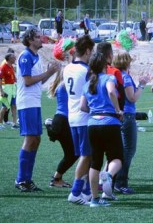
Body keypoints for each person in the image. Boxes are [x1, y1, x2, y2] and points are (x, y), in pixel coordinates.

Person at [15, 28, 61, 192]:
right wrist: (47, 72)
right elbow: (27, 81)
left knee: (36, 139)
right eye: (37, 37)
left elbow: (38, 83)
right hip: (27, 102)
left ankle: (27, 178)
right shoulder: (26, 56)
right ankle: (22, 179)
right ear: (29, 40)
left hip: (34, 102)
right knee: (30, 139)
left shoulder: (36, 57)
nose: (41, 39)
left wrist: (50, 73)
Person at [81, 52, 124, 207]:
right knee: (117, 157)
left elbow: (82, 106)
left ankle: (94, 199)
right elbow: (111, 91)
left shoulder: (87, 84)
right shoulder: (109, 78)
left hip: (92, 123)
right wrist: (118, 110)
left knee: (95, 162)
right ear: (105, 65)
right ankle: (109, 175)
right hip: (109, 122)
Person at [63, 35, 96, 204]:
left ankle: (86, 190)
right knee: (86, 156)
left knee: (88, 155)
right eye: (92, 52)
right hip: (84, 117)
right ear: (88, 51)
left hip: (72, 116)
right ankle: (75, 192)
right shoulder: (86, 71)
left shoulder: (67, 68)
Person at [113, 53, 149, 194]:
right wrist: (142, 84)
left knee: (122, 149)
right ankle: (121, 182)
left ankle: (115, 179)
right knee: (128, 150)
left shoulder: (115, 75)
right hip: (127, 115)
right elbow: (132, 98)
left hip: (120, 114)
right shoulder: (125, 77)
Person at [46, 70, 75, 188]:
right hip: (64, 121)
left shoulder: (60, 85)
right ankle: (56, 179)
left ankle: (57, 178)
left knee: (72, 153)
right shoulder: (66, 85)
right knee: (73, 154)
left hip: (59, 120)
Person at [0, 51, 18, 128]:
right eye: (13, 57)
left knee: (13, 105)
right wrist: (1, 91)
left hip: (12, 88)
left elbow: (14, 77)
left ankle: (14, 124)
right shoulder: (3, 67)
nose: (15, 58)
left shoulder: (11, 66)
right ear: (9, 59)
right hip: (6, 88)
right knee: (5, 107)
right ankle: (0, 123)